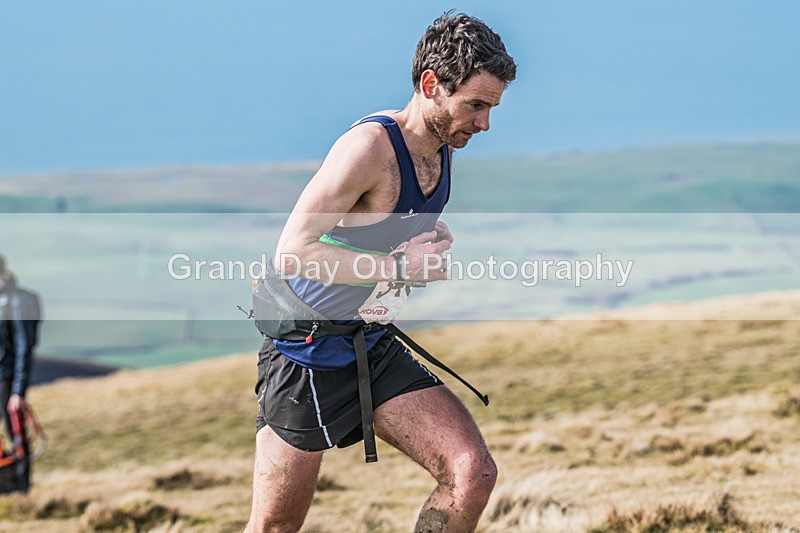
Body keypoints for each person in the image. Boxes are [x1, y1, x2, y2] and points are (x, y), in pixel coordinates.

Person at [246, 12, 516, 533]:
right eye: (476, 106)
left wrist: (424, 242)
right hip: (305, 353)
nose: (484, 124)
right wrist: (397, 263)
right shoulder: (368, 149)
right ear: (430, 85)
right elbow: (293, 252)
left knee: (471, 473)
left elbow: (373, 233)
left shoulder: (442, 144)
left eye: (491, 108)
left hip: (369, 343)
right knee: (275, 527)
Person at [0, 255, 41, 492]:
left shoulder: (16, 302)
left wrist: (18, 391)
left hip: (7, 379)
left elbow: (24, 348)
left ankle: (22, 491)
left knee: (15, 433)